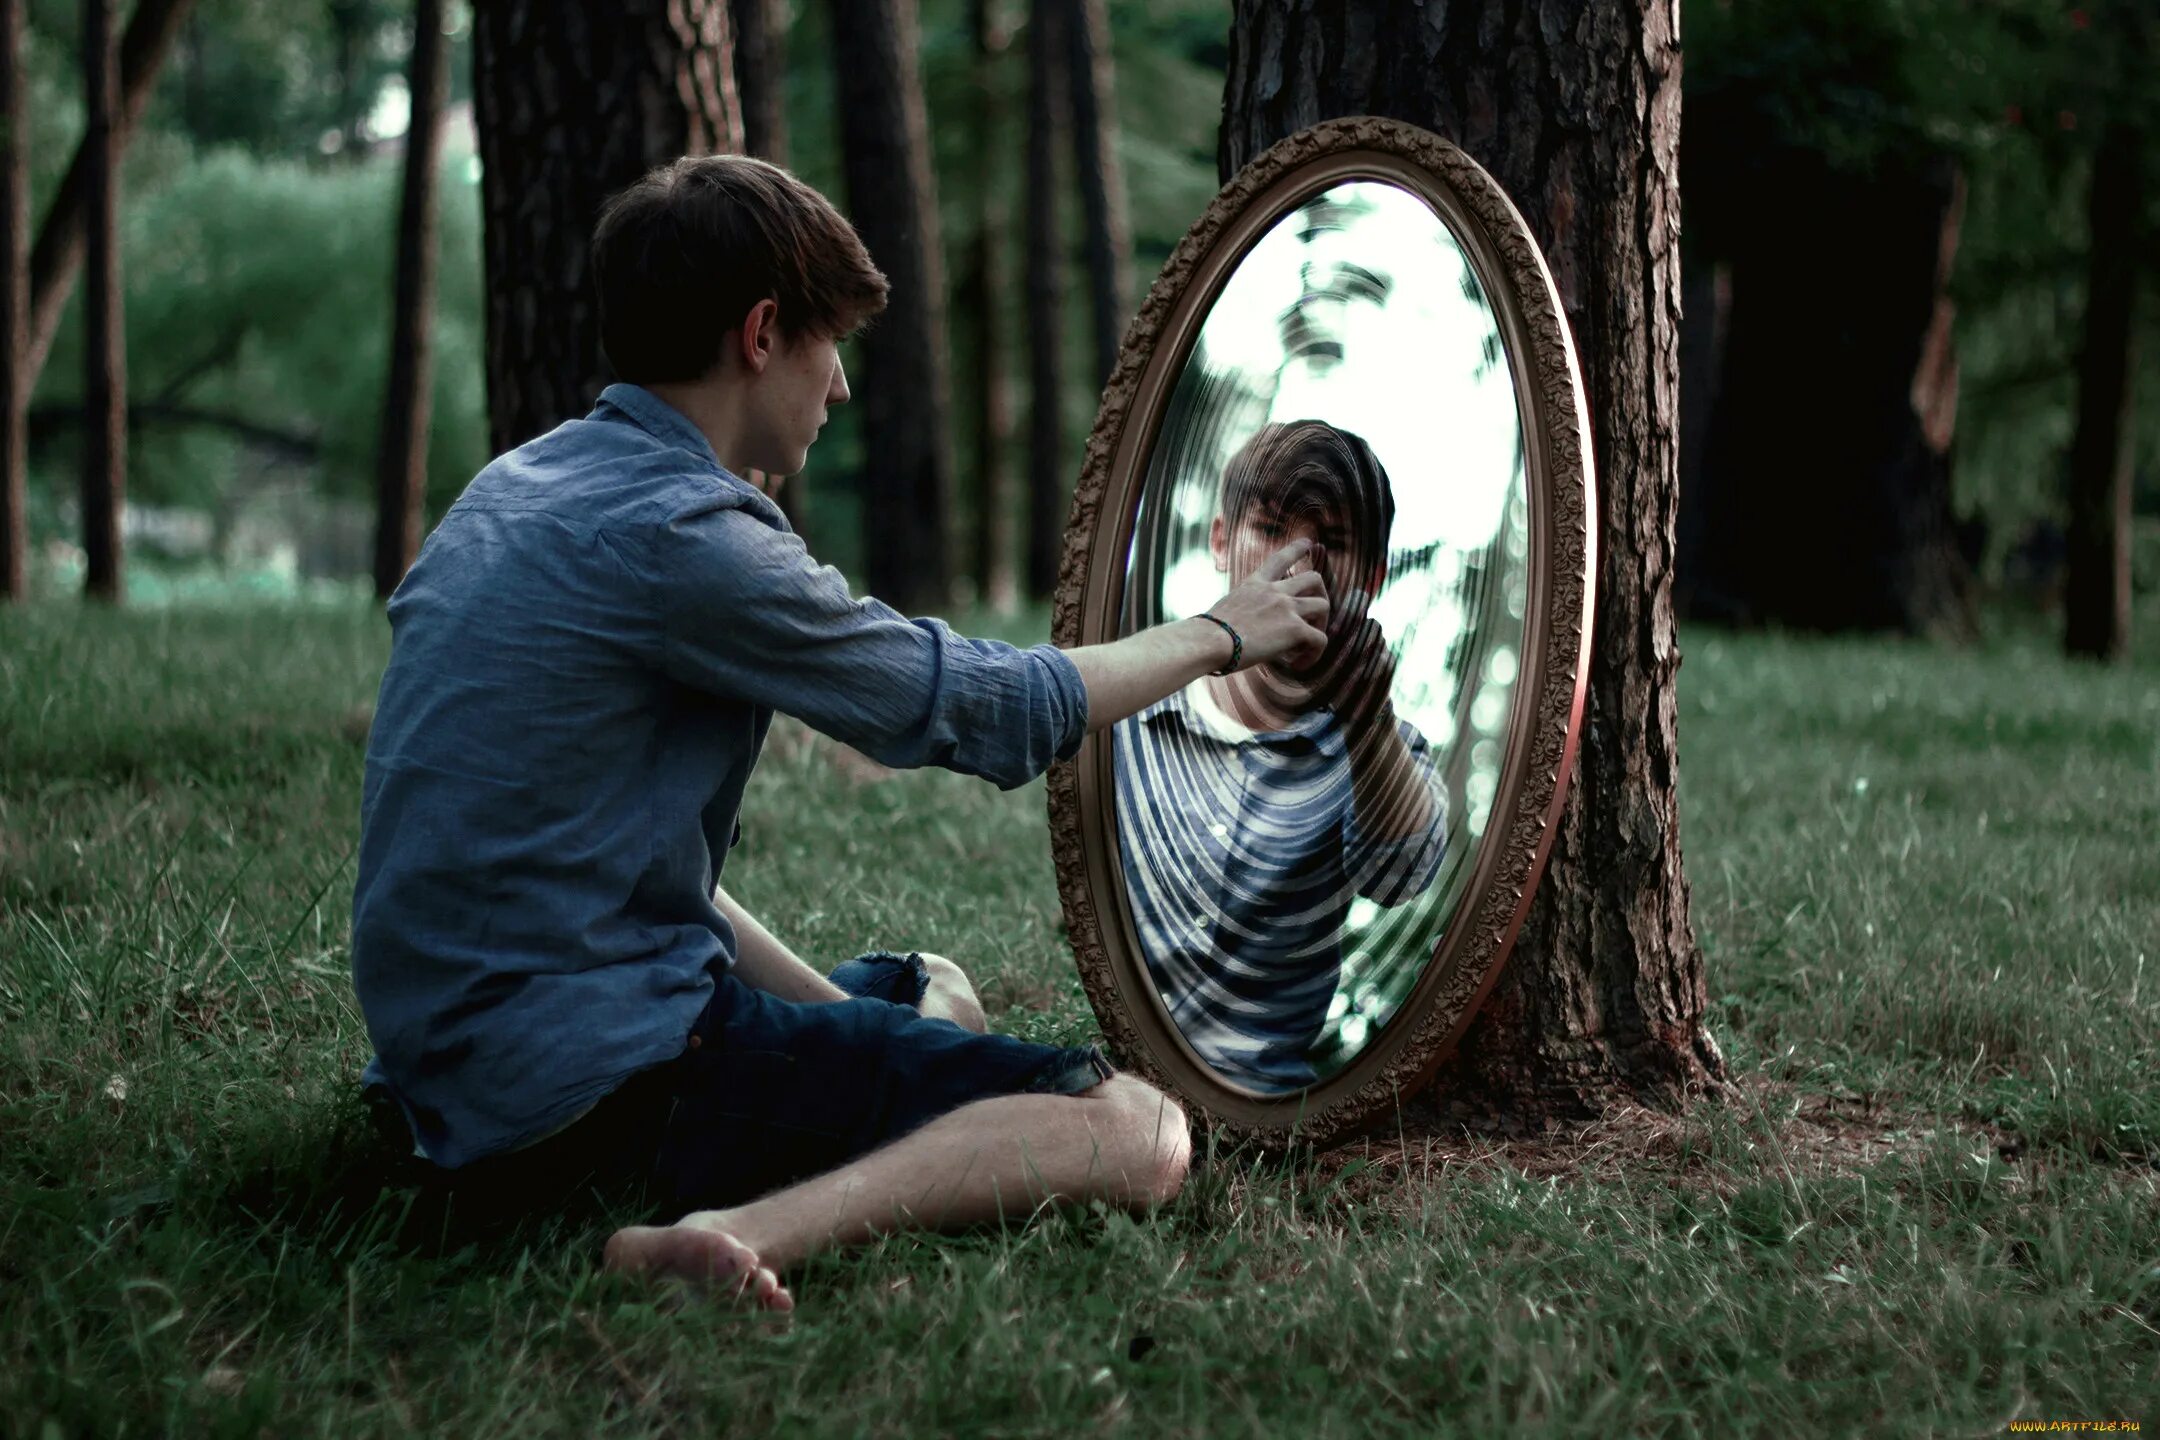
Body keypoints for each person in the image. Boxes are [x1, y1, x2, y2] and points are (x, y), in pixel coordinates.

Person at [349, 154, 1331, 1313]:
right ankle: (736, 1230)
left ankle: (821, 1107)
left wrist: (856, 1029)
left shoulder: (510, 491)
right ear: (762, 333)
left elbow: (619, 869)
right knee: (1139, 1129)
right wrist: (1222, 630)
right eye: (834, 343)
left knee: (933, 989)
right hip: (594, 1087)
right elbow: (985, 705)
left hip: (444, 1082)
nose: (843, 387)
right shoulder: (689, 537)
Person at [1114, 422, 1446, 1093]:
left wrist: (1368, 723)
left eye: (1335, 547)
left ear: (1373, 578)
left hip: (1266, 1105)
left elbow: (1404, 876)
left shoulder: (1371, 749)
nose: (1297, 570)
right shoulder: (1134, 709)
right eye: (1269, 531)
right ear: (1219, 542)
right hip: (1116, 1076)